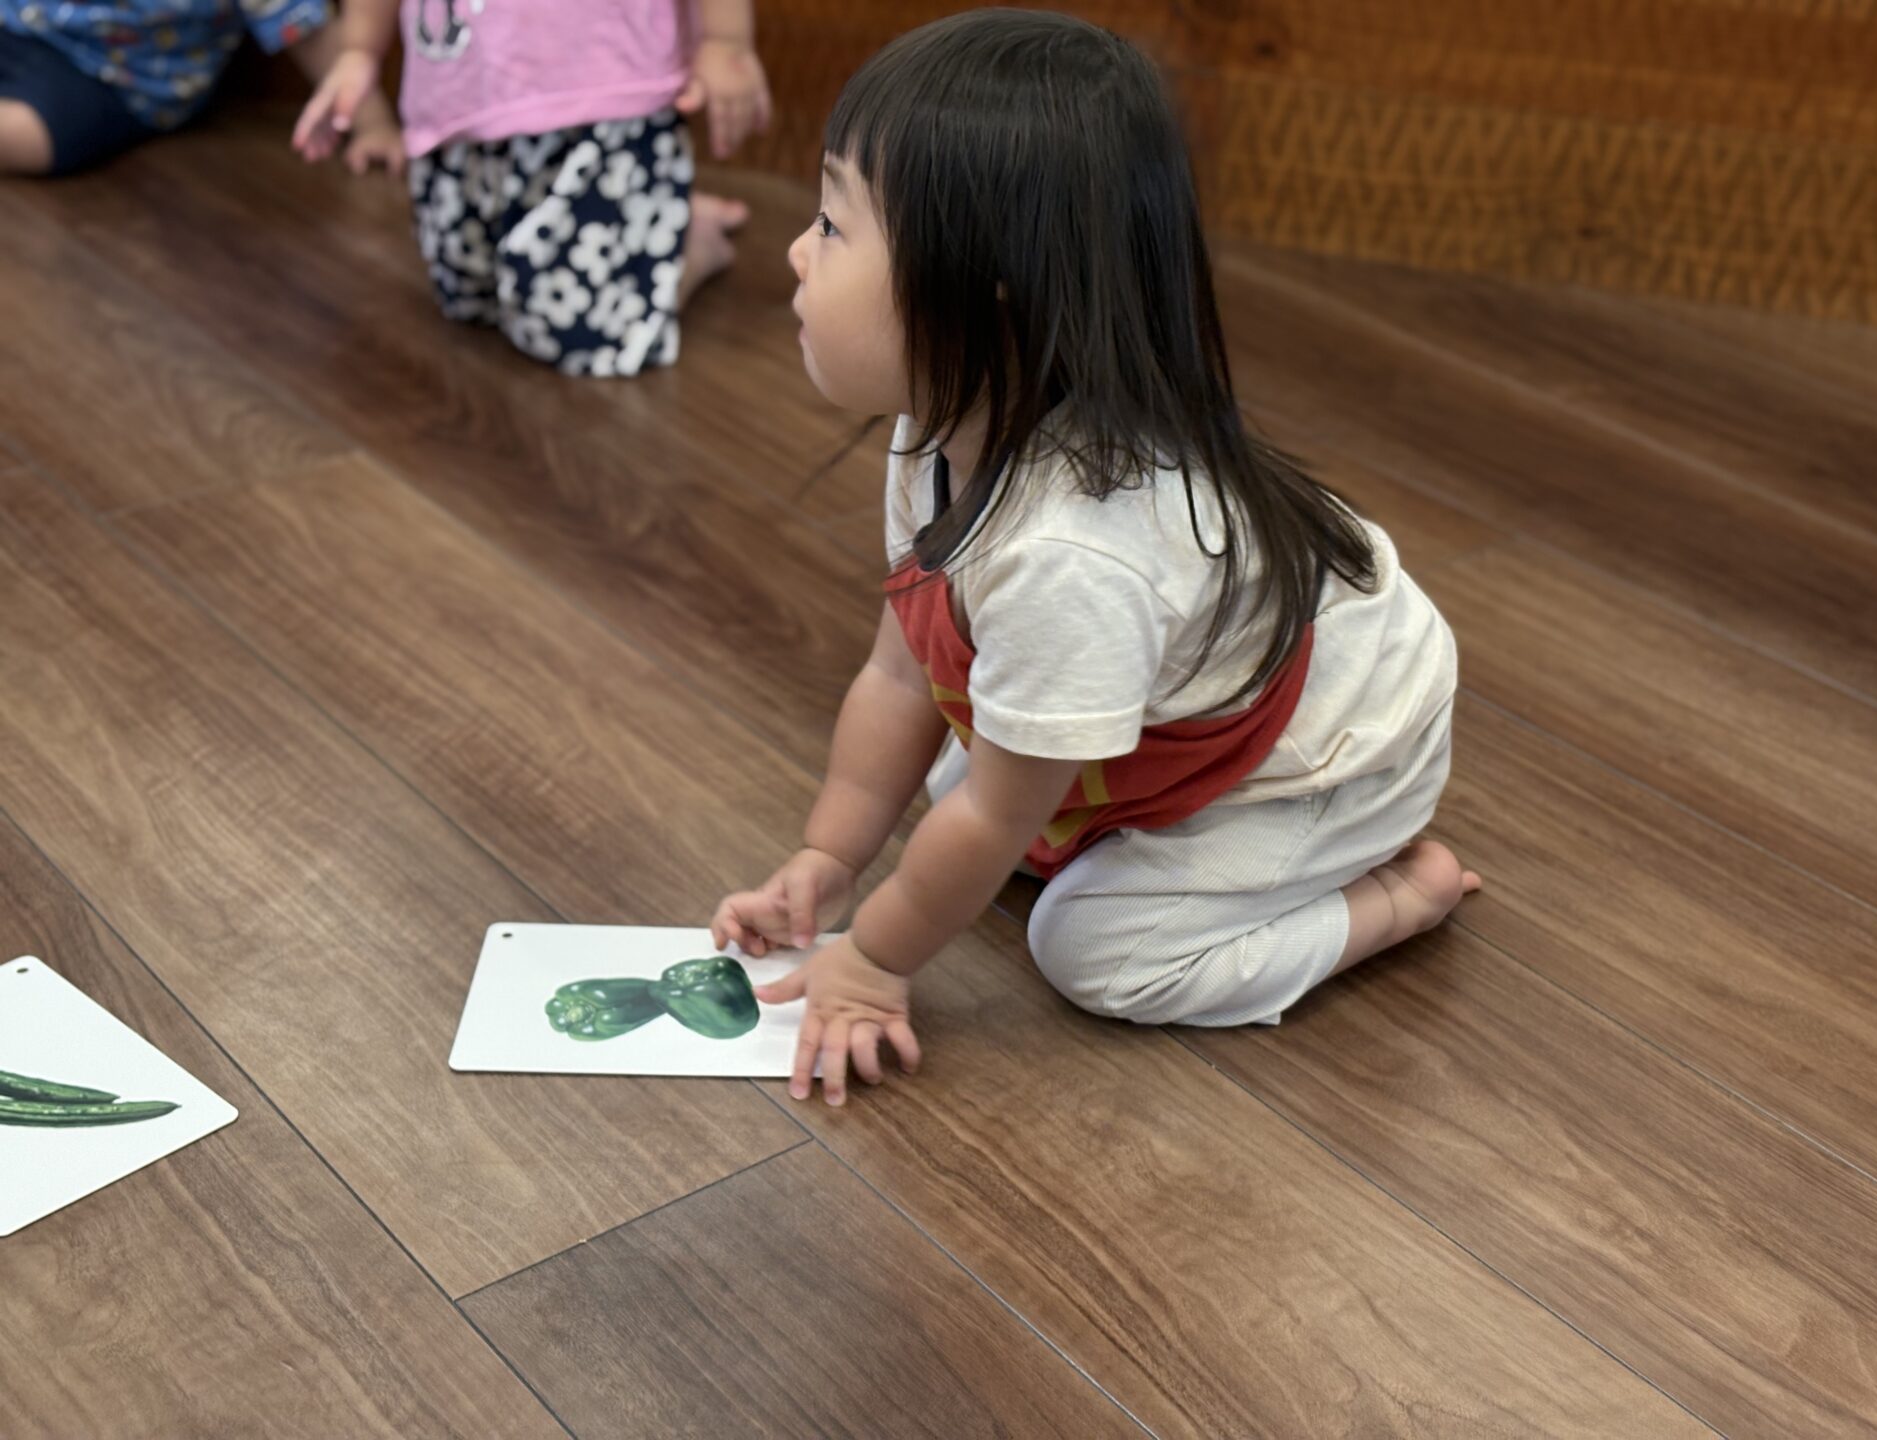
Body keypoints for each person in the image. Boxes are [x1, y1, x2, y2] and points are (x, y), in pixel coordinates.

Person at [711, 9, 1480, 1106]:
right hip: (1196, 701)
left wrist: (874, 961)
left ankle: (1399, 895)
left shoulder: (1071, 556)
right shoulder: (938, 426)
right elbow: (902, 672)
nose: (798, 249)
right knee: (965, 780)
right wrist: (831, 860)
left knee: (1093, 951)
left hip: (1327, 754)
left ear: (985, 298)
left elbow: (996, 815)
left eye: (834, 225)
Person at [292, 0, 769, 375]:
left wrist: (725, 39)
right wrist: (359, 50)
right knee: (466, 297)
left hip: (601, 103)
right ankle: (653, 218)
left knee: (585, 336)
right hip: (460, 104)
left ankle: (683, 243)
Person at [0, 0, 402, 176]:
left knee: (39, 133)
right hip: (19, 24)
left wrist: (373, 123)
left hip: (119, 80)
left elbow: (307, 29)